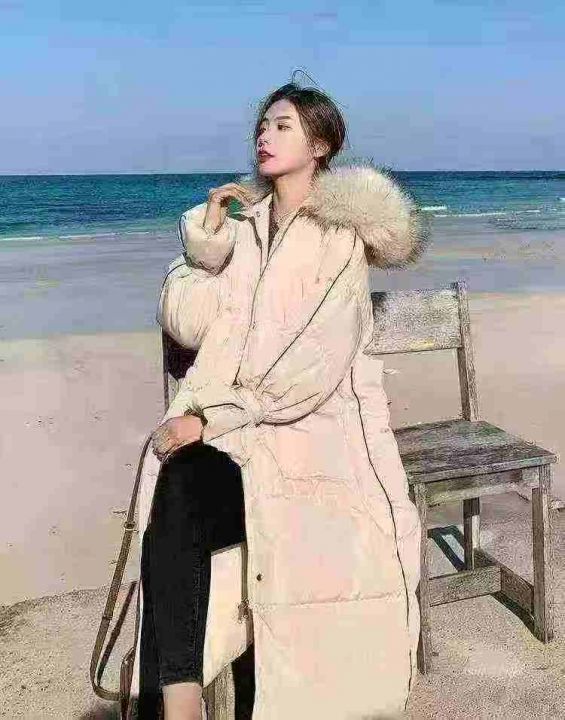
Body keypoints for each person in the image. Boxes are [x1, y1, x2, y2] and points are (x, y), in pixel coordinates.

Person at [134, 78, 430, 720]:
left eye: (283, 125)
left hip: (315, 434)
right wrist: (207, 244)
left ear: (319, 146)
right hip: (242, 434)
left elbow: (315, 362)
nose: (264, 136)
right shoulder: (244, 232)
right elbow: (188, 325)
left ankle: (194, 692)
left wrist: (210, 417)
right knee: (176, 485)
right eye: (262, 126)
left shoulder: (340, 238)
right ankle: (180, 698)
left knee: (232, 519)